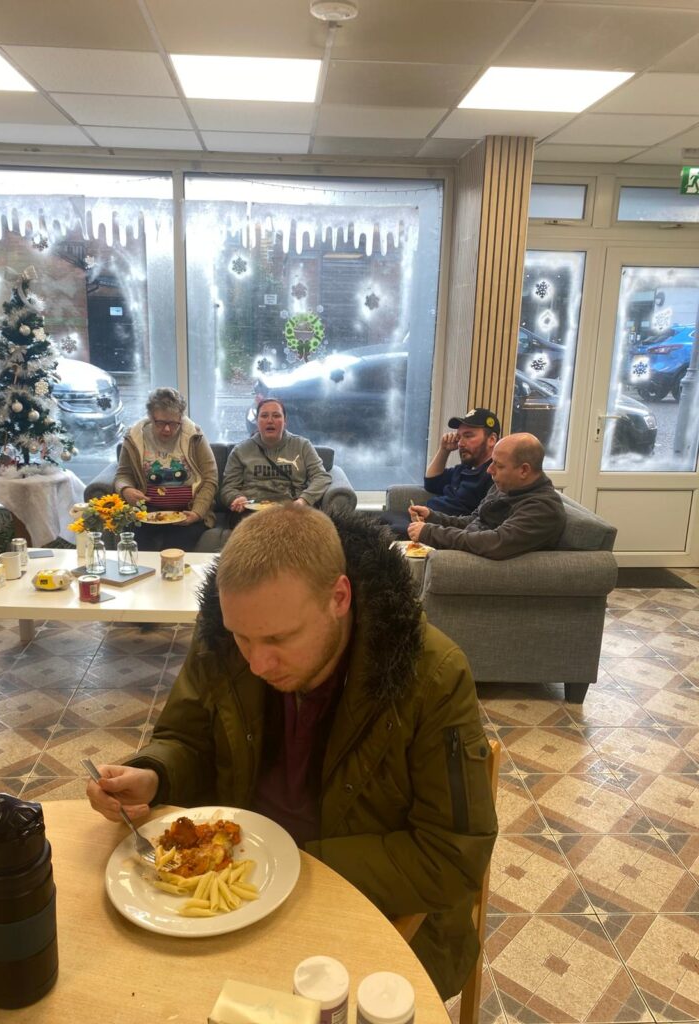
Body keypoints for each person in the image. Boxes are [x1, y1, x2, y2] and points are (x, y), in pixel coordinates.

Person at [85, 505, 497, 1000]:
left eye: (281, 639)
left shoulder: (432, 674)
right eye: (244, 638)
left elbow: (452, 857)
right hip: (235, 899)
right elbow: (188, 739)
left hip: (365, 909)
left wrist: (293, 865)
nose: (258, 663)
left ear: (339, 597)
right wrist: (154, 773)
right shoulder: (224, 635)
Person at [408, 431, 566, 559]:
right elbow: (474, 520)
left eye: (498, 465)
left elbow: (495, 543)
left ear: (524, 470)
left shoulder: (543, 509)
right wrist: (432, 517)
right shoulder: (506, 487)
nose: (489, 470)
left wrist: (430, 532)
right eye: (492, 462)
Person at [114, 387, 218, 551]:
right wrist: (126, 490)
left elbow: (210, 479)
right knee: (137, 541)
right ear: (150, 417)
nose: (167, 429)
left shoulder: (194, 436)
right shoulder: (134, 437)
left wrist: (197, 513)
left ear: (181, 418)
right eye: (161, 423)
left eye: (173, 423)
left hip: (187, 511)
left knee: (176, 544)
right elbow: (123, 475)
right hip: (148, 513)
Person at [380, 407, 500, 537]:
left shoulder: (494, 476)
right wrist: (444, 450)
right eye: (459, 437)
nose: (460, 443)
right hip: (424, 518)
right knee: (384, 517)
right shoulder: (465, 468)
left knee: (381, 532)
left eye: (468, 436)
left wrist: (431, 525)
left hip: (439, 529)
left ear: (491, 440)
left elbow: (479, 522)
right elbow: (431, 482)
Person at [219, 398, 331, 515]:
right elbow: (228, 487)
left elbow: (322, 477)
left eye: (276, 416)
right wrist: (236, 498)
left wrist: (303, 500)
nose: (270, 421)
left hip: (292, 509)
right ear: (257, 421)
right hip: (252, 512)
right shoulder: (241, 450)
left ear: (285, 421)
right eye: (264, 416)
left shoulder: (302, 446)